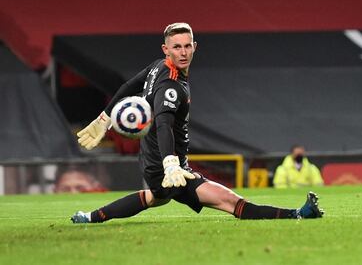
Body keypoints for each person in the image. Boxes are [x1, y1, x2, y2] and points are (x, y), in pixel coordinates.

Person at [70, 22, 323, 223]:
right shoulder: (171, 84)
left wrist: (105, 116)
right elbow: (164, 122)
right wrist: (171, 164)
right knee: (231, 202)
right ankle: (299, 214)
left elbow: (129, 86)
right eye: (177, 47)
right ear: (165, 49)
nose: (183, 52)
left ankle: (89, 217)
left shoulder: (157, 66)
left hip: (155, 161)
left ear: (195, 47)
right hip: (166, 167)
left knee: (155, 198)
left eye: (187, 46)